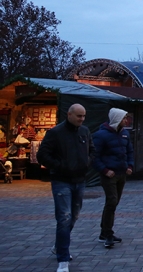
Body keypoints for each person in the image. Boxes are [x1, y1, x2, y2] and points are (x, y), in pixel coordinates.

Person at [37, 104, 95, 272]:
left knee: (73, 216)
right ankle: (63, 259)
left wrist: (87, 163)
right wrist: (60, 166)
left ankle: (59, 245)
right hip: (61, 180)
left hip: (80, 179)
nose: (82, 119)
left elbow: (92, 150)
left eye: (83, 116)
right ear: (69, 114)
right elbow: (42, 155)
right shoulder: (55, 133)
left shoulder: (84, 132)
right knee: (64, 217)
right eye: (78, 116)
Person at [92, 108, 134, 248]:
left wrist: (130, 166)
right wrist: (104, 170)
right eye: (123, 118)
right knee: (111, 201)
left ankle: (104, 232)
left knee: (114, 203)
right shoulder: (101, 135)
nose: (126, 121)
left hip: (122, 173)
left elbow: (129, 151)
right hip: (109, 174)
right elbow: (94, 156)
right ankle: (107, 234)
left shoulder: (124, 134)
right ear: (116, 119)